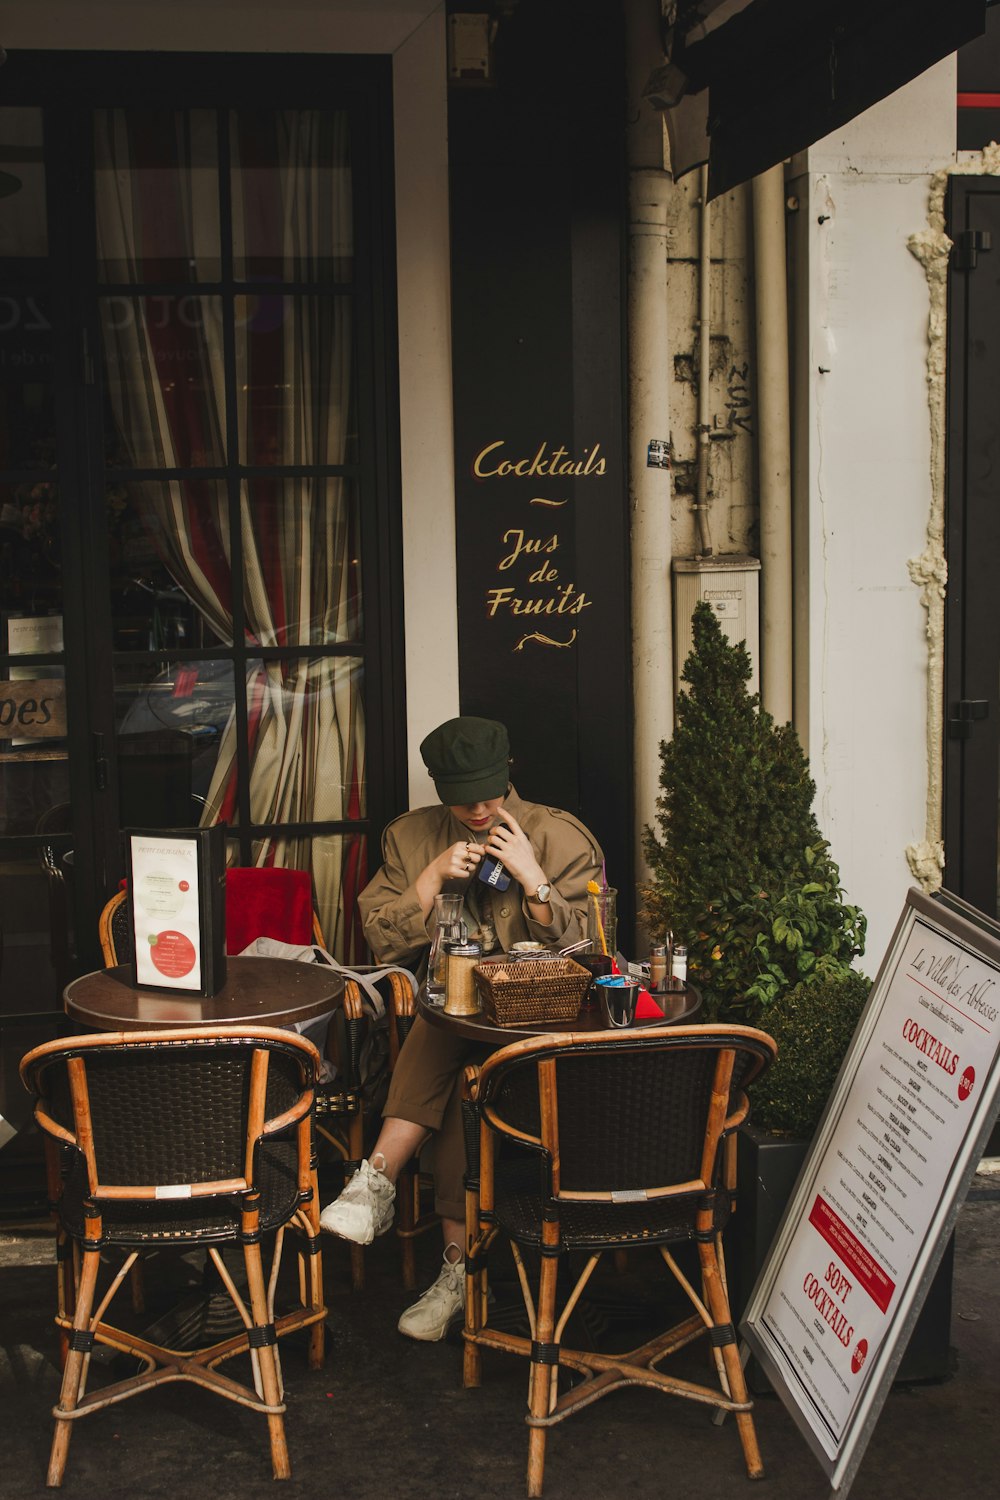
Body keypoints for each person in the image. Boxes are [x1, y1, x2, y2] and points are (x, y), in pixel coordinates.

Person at [320, 714, 604, 1340]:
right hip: (454, 1028)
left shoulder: (557, 835)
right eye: (461, 797)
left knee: (450, 1019)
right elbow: (381, 937)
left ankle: (377, 1180)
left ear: (509, 772)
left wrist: (534, 879)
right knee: (453, 1075)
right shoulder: (413, 835)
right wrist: (430, 878)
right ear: (439, 787)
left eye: (488, 793)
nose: (478, 809)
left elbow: (595, 949)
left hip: (536, 1030)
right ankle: (457, 1274)